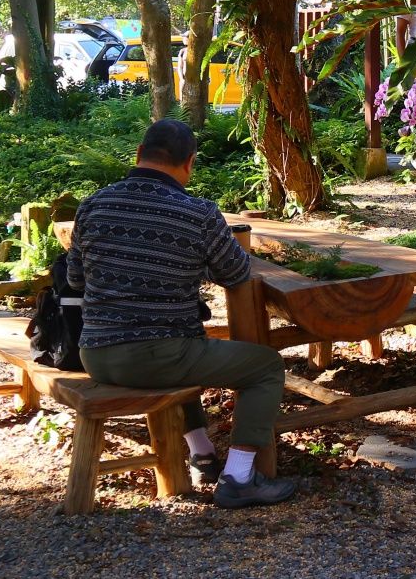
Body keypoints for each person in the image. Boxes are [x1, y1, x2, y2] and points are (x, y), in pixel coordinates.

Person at [66, 119, 296, 509]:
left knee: (190, 347)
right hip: (159, 357)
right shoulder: (198, 213)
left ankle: (203, 452)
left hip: (95, 355)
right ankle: (239, 476)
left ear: (138, 154)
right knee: (266, 366)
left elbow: (75, 279)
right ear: (190, 163)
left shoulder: (92, 205)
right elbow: (237, 275)